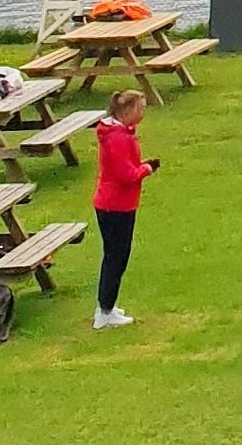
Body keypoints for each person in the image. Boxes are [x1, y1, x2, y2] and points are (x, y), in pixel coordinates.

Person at [93, 88, 158, 331]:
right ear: (127, 111)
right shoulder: (117, 138)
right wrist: (147, 169)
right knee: (116, 258)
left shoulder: (119, 134)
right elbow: (126, 174)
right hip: (115, 206)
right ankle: (105, 312)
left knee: (116, 256)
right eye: (140, 108)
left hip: (117, 204)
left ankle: (107, 304)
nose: (143, 113)